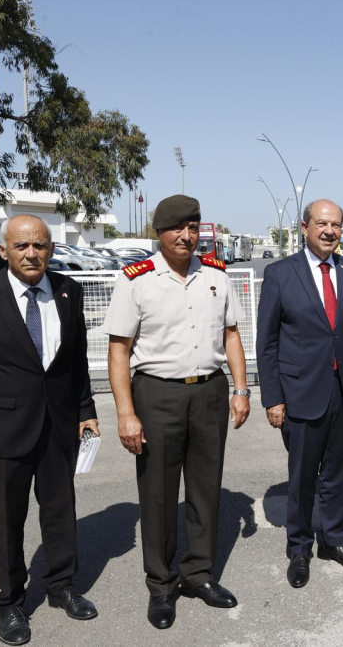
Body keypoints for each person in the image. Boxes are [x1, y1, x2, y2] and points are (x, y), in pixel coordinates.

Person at [0, 215, 99, 646]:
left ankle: (62, 585)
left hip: (58, 426)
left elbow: (75, 361)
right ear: (5, 250)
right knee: (7, 522)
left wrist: (85, 408)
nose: (32, 254)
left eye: (41, 246)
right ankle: (10, 602)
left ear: (51, 249)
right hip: (0, 433)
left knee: (60, 511)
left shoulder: (69, 290)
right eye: (22, 246)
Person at [103, 195, 250, 630]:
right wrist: (126, 413)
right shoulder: (136, 280)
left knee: (206, 489)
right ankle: (162, 585)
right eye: (177, 228)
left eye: (193, 227)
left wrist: (241, 390)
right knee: (159, 494)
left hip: (208, 393)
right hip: (157, 395)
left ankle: (198, 575)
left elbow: (232, 335)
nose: (187, 236)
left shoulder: (215, 276)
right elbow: (118, 351)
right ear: (159, 233)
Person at [256, 199, 343, 589]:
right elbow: (267, 341)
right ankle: (300, 548)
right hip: (300, 392)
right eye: (321, 223)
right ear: (304, 227)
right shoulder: (279, 273)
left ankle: (334, 541)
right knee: (303, 477)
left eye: (336, 224)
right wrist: (273, 397)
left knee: (340, 476)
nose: (329, 231)